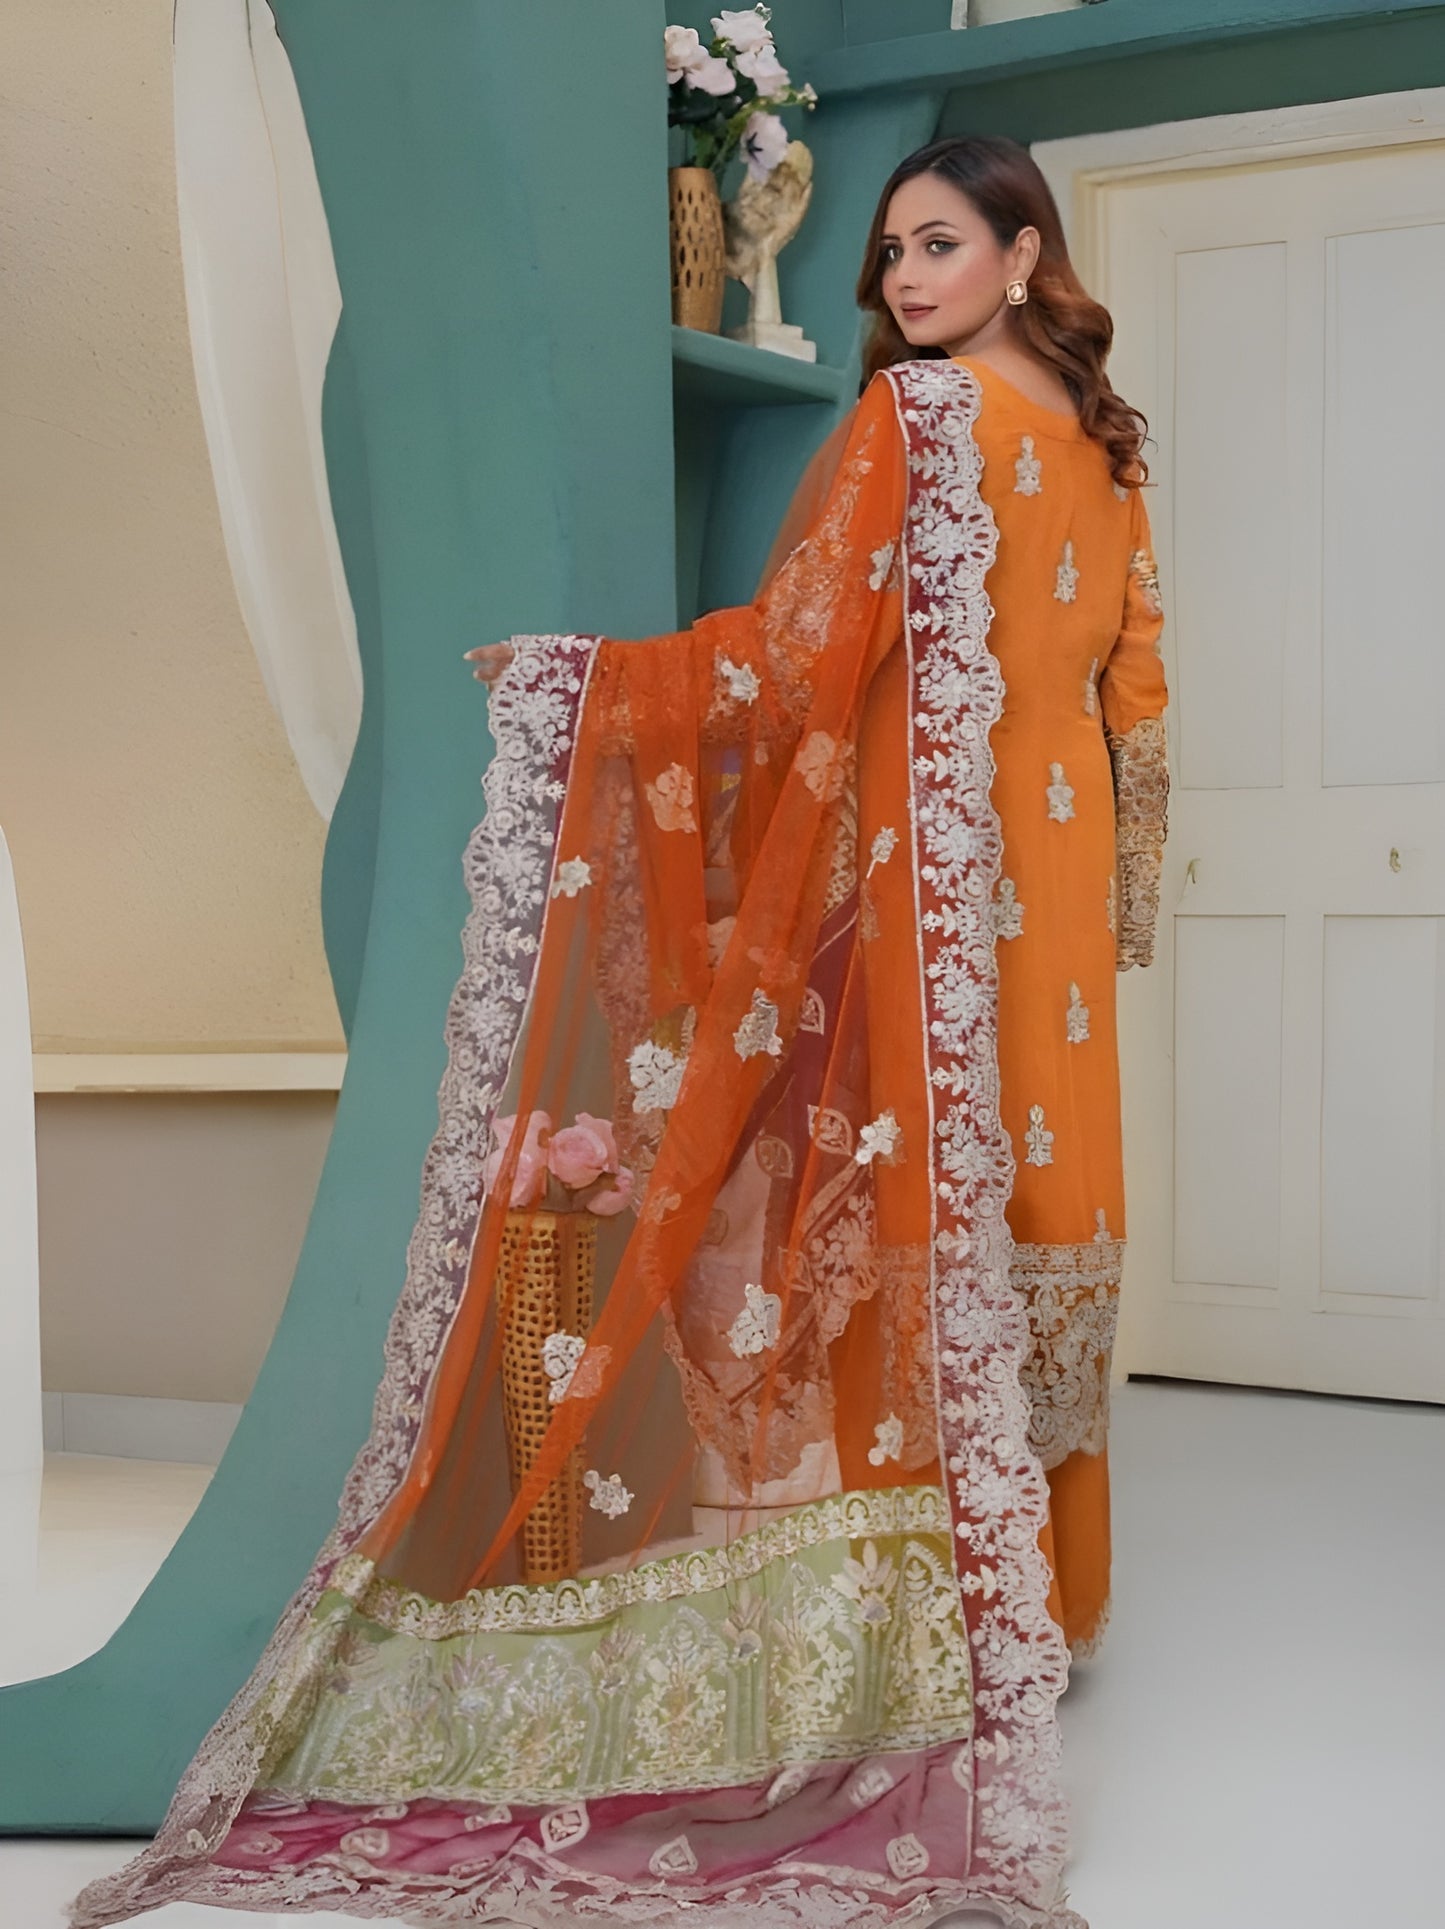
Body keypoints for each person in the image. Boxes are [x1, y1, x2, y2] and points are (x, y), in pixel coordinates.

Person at [74, 135, 1167, 1929]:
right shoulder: (1107, 442)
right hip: (1041, 879)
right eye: (890, 253)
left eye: (936, 244)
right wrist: (1110, 897)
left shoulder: (918, 420)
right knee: (1039, 1221)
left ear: (1022, 249)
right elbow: (1137, 690)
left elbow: (792, 655)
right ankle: (1038, 1603)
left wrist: (580, 687)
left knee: (926, 1213)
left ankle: (936, 1631)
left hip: (931, 870)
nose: (903, 280)